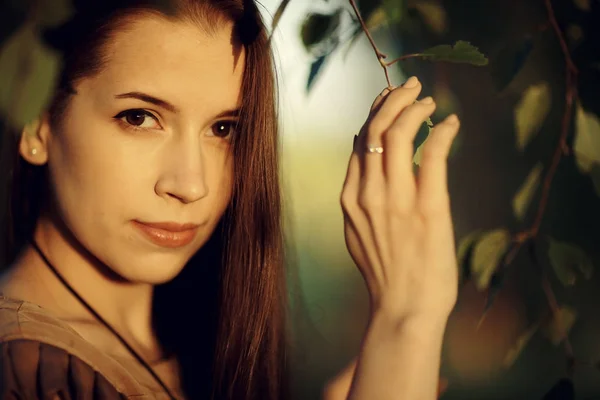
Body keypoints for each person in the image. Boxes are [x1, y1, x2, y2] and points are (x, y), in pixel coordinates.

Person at [0, 0, 460, 399]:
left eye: (223, 129)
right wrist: (407, 321)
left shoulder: (189, 345)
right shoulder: (31, 373)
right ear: (36, 123)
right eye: (140, 117)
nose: (191, 184)